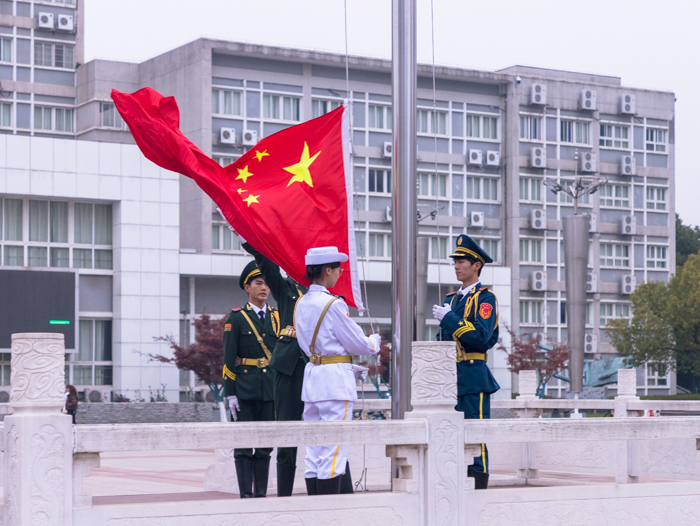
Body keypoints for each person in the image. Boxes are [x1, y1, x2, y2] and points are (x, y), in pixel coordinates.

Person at [230, 225, 356, 495]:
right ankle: (285, 494)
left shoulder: (328, 295)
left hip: (321, 367)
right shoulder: (287, 288)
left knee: (332, 428)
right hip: (290, 364)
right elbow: (265, 261)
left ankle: (338, 487)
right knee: (288, 427)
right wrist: (245, 235)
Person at [295, 246, 379, 495]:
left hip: (313, 376)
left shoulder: (302, 302)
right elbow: (357, 343)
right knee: (334, 445)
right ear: (327, 269)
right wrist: (374, 342)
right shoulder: (332, 304)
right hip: (333, 383)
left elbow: (319, 347)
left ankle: (315, 503)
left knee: (314, 447)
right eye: (338, 268)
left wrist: (349, 366)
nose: (341, 273)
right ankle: (328, 508)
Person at [432, 234, 500, 490]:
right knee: (450, 436)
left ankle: (478, 487)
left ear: (477, 265)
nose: (457, 265)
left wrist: (449, 318)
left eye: (462, 261)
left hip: (472, 375)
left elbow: (480, 338)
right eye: (455, 261)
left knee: (474, 434)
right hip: (449, 378)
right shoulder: (452, 299)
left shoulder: (485, 298)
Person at [223, 260, 280, 498]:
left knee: (266, 446)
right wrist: (231, 393)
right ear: (247, 287)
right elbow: (228, 360)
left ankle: (261, 495)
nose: (264, 288)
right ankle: (246, 496)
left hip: (271, 391)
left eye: (266, 283)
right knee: (244, 445)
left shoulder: (278, 317)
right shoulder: (236, 318)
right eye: (258, 283)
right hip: (245, 390)